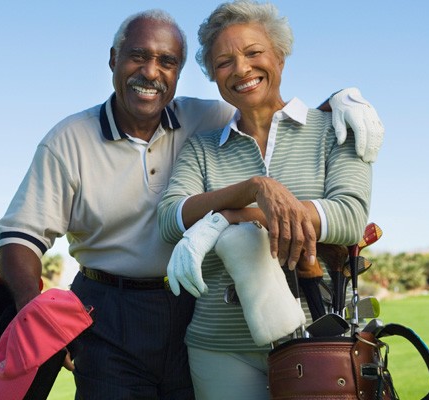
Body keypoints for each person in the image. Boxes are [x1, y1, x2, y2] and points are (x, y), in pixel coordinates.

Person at [0, 8, 381, 400]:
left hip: (185, 303)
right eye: (137, 56)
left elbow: (273, 111)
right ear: (113, 59)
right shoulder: (71, 139)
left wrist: (343, 98)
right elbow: (20, 237)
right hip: (108, 310)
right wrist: (32, 310)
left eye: (167, 61)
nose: (150, 72)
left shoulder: (207, 116)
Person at [157, 1, 373, 399]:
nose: (241, 69)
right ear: (213, 75)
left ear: (280, 56)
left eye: (254, 53)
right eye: (223, 62)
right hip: (219, 347)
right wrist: (254, 189)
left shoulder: (334, 129)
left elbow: (348, 217)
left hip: (317, 340)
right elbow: (170, 219)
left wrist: (224, 218)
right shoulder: (203, 148)